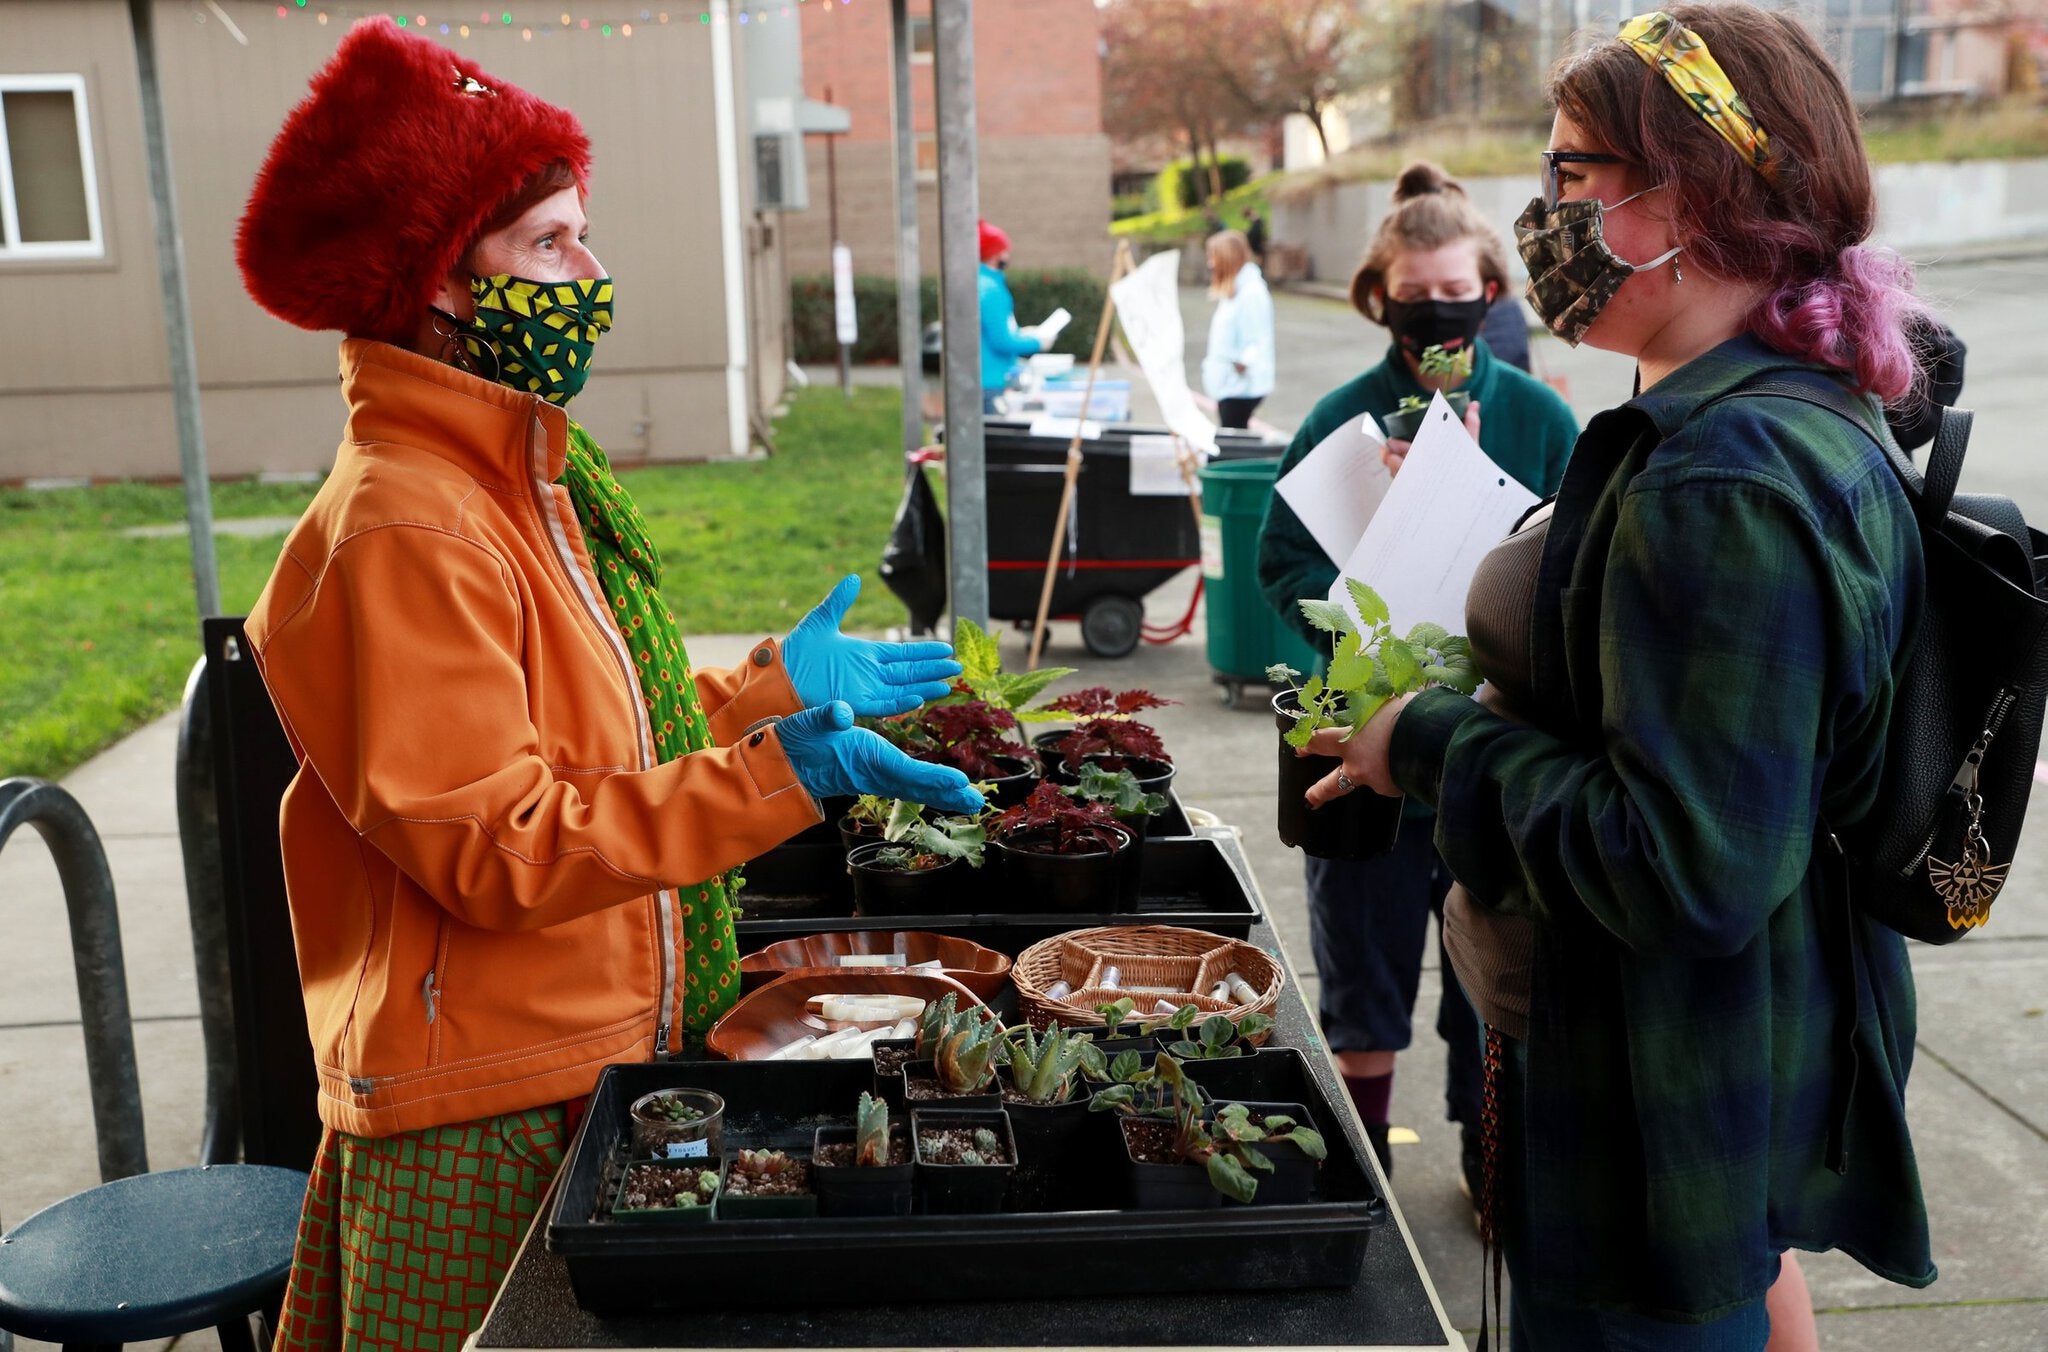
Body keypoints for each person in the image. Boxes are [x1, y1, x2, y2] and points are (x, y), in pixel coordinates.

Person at [234, 21, 981, 1342]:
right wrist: (782, 777)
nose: (591, 271)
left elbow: (583, 750)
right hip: (483, 1111)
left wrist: (756, 703)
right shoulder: (412, 522)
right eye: (549, 243)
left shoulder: (508, 479)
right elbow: (498, 846)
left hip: (567, 1063)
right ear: (444, 283)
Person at [1303, 8, 1937, 1347]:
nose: (1548, 220)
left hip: (1648, 1114)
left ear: (1698, 197)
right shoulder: (1762, 412)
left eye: (1575, 182)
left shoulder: (1725, 475)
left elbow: (1684, 866)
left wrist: (1425, 743)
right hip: (1677, 1080)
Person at [1256, 162, 1578, 1190]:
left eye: (1456, 290)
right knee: (1361, 975)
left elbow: (1574, 569)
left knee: (1488, 979)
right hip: (1360, 739)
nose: (1435, 311)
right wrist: (1378, 552)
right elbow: (1281, 562)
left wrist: (1479, 503)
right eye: (1413, 292)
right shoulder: (1340, 419)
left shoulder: (1536, 415)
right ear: (1375, 293)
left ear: (1490, 287)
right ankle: (1361, 1180)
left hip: (1494, 742)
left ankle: (1490, 1163)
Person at [1200, 229, 1276, 430]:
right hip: (1231, 385)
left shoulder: (1250, 294)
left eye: (1213, 257)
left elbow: (1257, 338)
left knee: (1232, 443)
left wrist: (1241, 364)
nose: (1210, 263)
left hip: (1239, 386)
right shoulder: (1237, 291)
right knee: (1234, 438)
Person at [976, 218, 1042, 415]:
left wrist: (1022, 333)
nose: (1008, 254)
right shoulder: (990, 289)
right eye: (1004, 249)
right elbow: (1002, 341)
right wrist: (1037, 342)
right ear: (995, 253)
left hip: (982, 380)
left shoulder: (979, 283)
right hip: (992, 383)